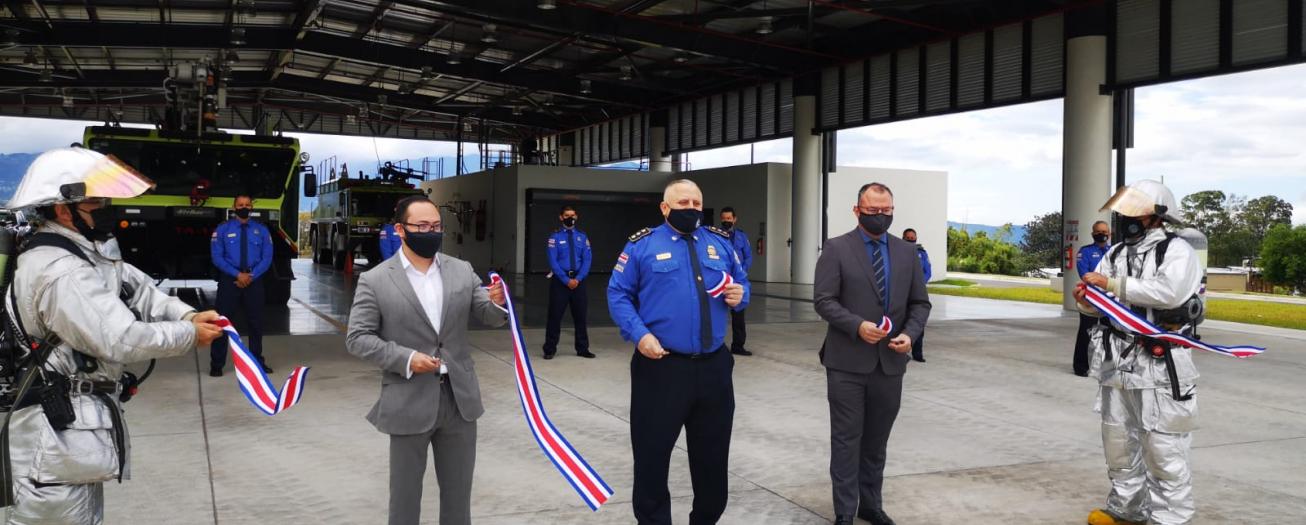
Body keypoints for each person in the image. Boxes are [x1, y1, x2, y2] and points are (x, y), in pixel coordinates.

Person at [2, 147, 224, 523]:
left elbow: (139, 289)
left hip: (69, 443)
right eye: (96, 202)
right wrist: (187, 335)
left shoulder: (87, 250)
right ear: (62, 209)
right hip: (51, 447)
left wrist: (188, 313)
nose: (106, 207)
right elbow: (121, 338)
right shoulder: (61, 270)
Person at [345, 195, 508, 525]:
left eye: (436, 226)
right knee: (404, 502)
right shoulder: (375, 280)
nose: (430, 232)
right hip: (408, 399)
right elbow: (357, 338)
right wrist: (406, 359)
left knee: (458, 500)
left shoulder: (461, 270)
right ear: (400, 230)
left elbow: (489, 316)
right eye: (421, 226)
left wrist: (498, 303)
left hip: (459, 401)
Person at [607, 179, 749, 525]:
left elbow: (742, 283)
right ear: (665, 207)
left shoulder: (718, 243)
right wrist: (640, 336)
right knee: (652, 456)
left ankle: (706, 518)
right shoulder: (642, 245)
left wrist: (739, 295)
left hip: (714, 369)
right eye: (683, 202)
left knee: (712, 458)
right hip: (661, 368)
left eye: (697, 202)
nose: (691, 208)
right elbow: (618, 294)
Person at [1073, 180, 1202, 525]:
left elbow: (1168, 293)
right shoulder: (1115, 253)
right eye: (1123, 211)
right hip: (1118, 362)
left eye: (1134, 211)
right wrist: (1087, 302)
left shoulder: (1176, 251)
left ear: (1156, 216)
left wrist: (1112, 286)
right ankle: (1126, 509)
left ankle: (1169, 519)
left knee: (1164, 448)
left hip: (1161, 365)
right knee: (1118, 440)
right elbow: (1100, 301)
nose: (1124, 218)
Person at [813, 183, 931, 525]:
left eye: (886, 211)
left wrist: (909, 335)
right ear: (857, 210)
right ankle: (845, 511)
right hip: (847, 362)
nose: (880, 217)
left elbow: (920, 303)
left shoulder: (907, 253)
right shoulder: (836, 249)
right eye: (873, 210)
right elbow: (824, 300)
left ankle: (871, 504)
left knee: (877, 440)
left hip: (890, 363)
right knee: (847, 439)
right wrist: (856, 325)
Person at [209, 194, 274, 376]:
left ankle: (257, 364)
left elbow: (267, 257)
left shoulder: (261, 230)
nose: (244, 207)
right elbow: (217, 257)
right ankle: (216, 364)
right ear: (234, 207)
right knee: (222, 324)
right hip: (230, 281)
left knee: (256, 324)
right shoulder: (222, 229)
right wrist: (238, 274)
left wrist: (250, 276)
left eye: (247, 204)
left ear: (252, 207)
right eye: (240, 204)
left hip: (254, 281)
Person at [542, 205, 594, 359]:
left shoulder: (582, 237)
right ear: (561, 217)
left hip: (579, 281)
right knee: (555, 316)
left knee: (581, 316)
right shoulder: (555, 237)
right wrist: (566, 280)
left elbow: (587, 259)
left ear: (576, 216)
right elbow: (553, 261)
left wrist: (578, 279)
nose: (570, 218)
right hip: (560, 281)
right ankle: (550, 349)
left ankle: (582, 348)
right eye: (566, 215)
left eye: (572, 215)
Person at [1072, 220, 1112, 377]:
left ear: (1109, 234)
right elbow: (1085, 275)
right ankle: (1081, 367)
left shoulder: (1114, 251)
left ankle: (1105, 366)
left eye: (1105, 232)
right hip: (1090, 299)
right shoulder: (1085, 252)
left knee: (1110, 334)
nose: (1102, 235)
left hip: (1110, 300)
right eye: (1098, 232)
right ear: (1093, 234)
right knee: (1086, 332)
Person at [719, 207, 753, 356]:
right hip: (720, 280)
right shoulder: (715, 236)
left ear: (734, 219)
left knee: (739, 315)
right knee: (716, 313)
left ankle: (738, 346)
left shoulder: (741, 237)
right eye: (724, 219)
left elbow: (748, 256)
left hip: (737, 281)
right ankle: (715, 346)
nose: (726, 221)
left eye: (729, 218)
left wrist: (741, 272)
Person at [901, 228, 931, 363]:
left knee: (918, 321)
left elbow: (927, 271)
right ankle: (901, 351)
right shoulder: (897, 252)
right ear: (903, 237)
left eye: (913, 237)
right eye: (908, 237)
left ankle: (917, 353)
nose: (911, 239)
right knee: (900, 321)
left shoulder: (922, 254)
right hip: (901, 292)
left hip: (918, 292)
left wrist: (918, 284)